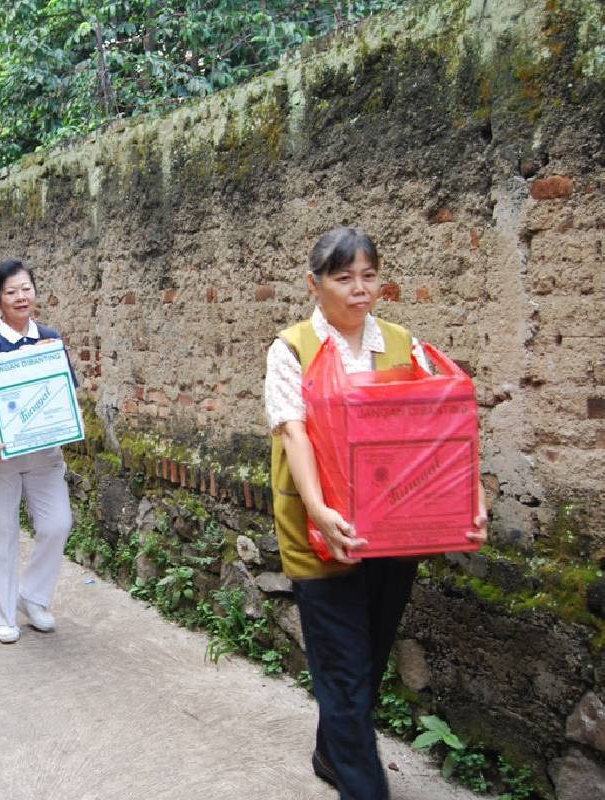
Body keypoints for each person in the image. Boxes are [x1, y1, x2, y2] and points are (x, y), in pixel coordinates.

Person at [264, 226, 488, 799]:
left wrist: (471, 498)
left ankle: (330, 751)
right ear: (314, 285)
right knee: (343, 672)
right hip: (326, 536)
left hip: (394, 532)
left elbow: (442, 429)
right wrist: (318, 510)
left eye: (368, 276)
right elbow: (295, 435)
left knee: (367, 659)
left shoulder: (402, 343)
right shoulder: (292, 349)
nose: (359, 290)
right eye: (343, 278)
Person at [0, 259, 75, 644]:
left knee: (57, 524)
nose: (21, 297)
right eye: (11, 291)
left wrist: (48, 359)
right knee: (3, 533)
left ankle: (33, 597)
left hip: (43, 455)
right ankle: (4, 614)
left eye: (26, 288)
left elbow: (66, 390)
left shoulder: (51, 339)